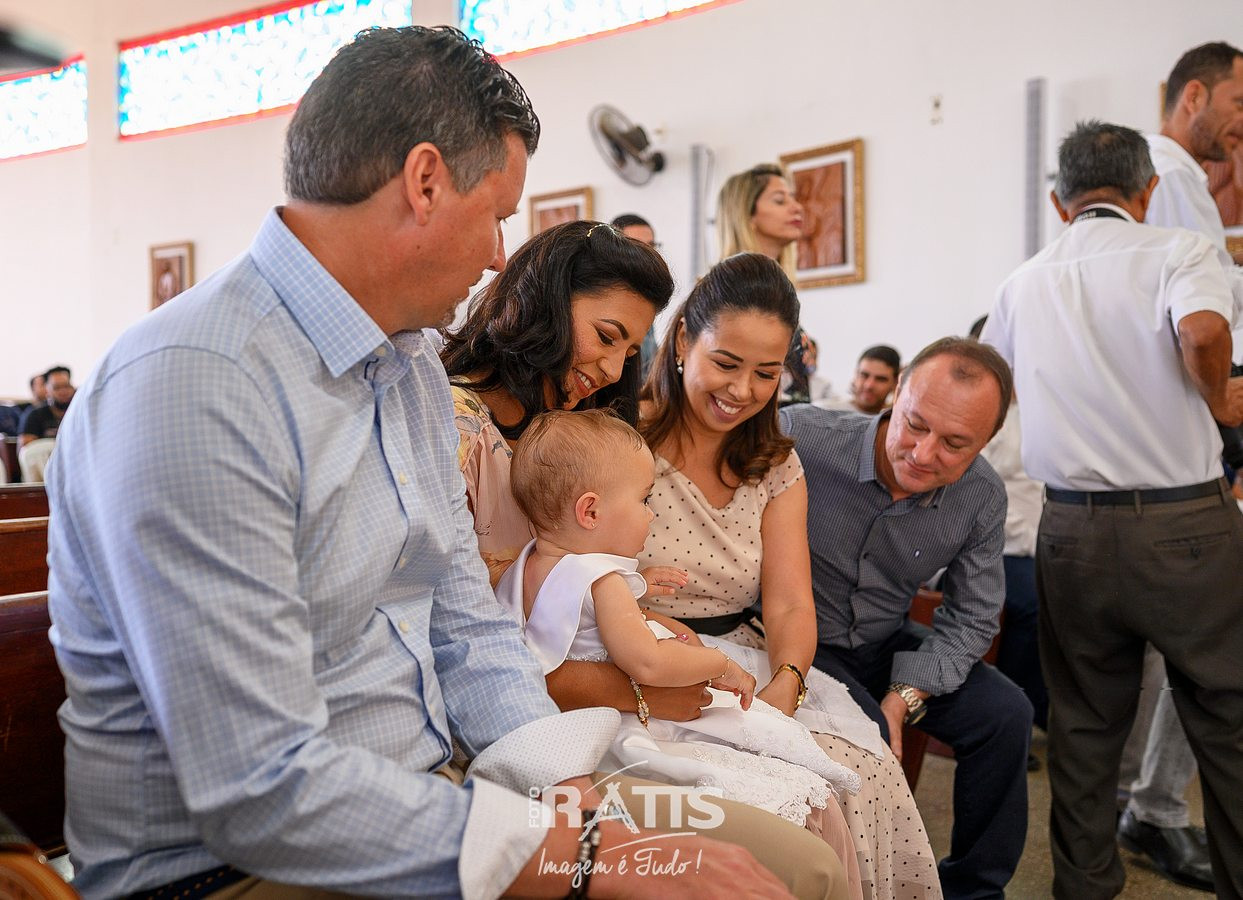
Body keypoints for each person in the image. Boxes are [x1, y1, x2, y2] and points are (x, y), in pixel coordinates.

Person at [45, 26, 791, 900]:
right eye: (498, 215)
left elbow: (465, 622)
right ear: (426, 182)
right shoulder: (197, 384)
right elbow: (260, 786)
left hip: (438, 789)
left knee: (792, 863)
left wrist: (564, 790)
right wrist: (581, 856)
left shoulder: (405, 370)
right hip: (238, 868)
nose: (497, 255)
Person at [445, 241, 883, 900]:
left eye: (628, 350)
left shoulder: (561, 426)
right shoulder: (469, 432)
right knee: (802, 842)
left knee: (832, 787)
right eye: (606, 336)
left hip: (587, 698)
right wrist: (652, 685)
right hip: (533, 724)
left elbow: (567, 589)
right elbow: (476, 642)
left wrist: (651, 620)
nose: (612, 367)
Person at [982, 120, 1243, 899]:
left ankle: (1083, 888)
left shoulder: (1021, 282)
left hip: (1070, 529)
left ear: (1057, 201)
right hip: (1183, 526)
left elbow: (994, 388)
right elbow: (1203, 329)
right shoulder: (1178, 251)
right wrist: (1218, 399)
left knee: (1084, 727)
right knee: (1224, 723)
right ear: (1147, 190)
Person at [639, 253, 941, 900]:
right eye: (726, 364)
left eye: (765, 373)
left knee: (861, 771)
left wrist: (787, 682)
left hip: (743, 656)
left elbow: (788, 605)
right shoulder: (621, 440)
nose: (742, 391)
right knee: (776, 802)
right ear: (684, 340)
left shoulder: (774, 463)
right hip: (643, 653)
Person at [498, 409, 864, 824]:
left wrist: (639, 584)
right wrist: (718, 664)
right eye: (644, 500)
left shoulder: (526, 567)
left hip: (557, 716)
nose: (651, 514)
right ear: (591, 513)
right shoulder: (604, 582)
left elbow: (571, 613)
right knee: (751, 736)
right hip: (618, 722)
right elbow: (649, 663)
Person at [781, 337, 1031, 900]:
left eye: (955, 444)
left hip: (883, 639)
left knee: (1007, 714)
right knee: (868, 733)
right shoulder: (803, 436)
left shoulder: (982, 495)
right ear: (897, 394)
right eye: (914, 425)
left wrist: (905, 694)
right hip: (797, 639)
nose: (923, 453)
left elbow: (972, 617)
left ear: (988, 441)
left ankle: (973, 890)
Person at [1114, 42, 1243, 889]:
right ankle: (1154, 807)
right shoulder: (1169, 177)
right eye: (1238, 102)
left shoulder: (1178, 180)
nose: (1241, 124)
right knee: (1207, 640)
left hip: (1188, 434)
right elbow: (1201, 322)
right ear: (1193, 94)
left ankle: (1149, 803)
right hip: (1194, 433)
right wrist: (1226, 405)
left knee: (1197, 640)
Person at [715, 163, 813, 408]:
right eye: (780, 200)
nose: (797, 207)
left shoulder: (781, 291)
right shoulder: (729, 289)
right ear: (747, 215)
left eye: (793, 198)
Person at [610, 213, 663, 380]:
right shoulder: (606, 303)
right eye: (637, 247)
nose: (648, 256)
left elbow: (650, 363)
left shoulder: (645, 301)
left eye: (651, 246)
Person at [817, 346, 901, 415]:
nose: (869, 385)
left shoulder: (897, 420)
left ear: (895, 383)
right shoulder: (823, 411)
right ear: (855, 374)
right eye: (864, 375)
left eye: (880, 379)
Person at [18, 365, 73, 447]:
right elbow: (26, 450)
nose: (63, 391)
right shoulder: (34, 415)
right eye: (57, 388)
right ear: (47, 390)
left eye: (66, 386)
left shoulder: (78, 414)